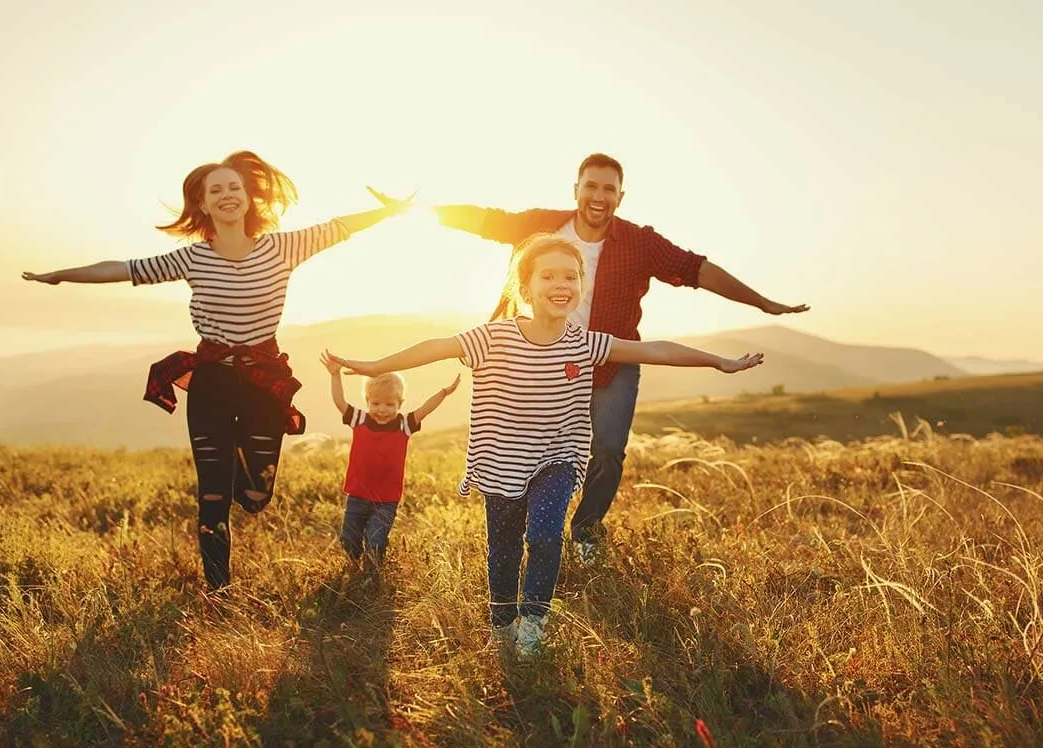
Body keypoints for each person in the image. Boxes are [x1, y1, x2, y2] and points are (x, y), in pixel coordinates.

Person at [325, 233, 763, 656]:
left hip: (558, 459)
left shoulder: (586, 344)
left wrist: (718, 361)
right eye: (549, 276)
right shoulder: (492, 338)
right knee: (504, 547)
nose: (561, 284)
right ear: (526, 286)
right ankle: (502, 624)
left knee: (546, 532)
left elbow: (656, 350)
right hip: (499, 463)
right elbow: (435, 347)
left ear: (580, 286)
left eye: (571, 276)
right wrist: (373, 366)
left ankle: (534, 622)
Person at [369, 152, 808, 564]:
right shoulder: (541, 226)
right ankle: (526, 526)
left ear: (621, 195)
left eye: (609, 189)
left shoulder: (639, 242)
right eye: (591, 187)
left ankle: (586, 531)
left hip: (610, 358)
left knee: (609, 449)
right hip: (537, 358)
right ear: (576, 188)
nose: (599, 197)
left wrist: (763, 303)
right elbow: (481, 220)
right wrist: (410, 209)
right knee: (529, 449)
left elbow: (697, 269)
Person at [21, 150, 412, 595]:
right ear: (203, 205)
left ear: (248, 198)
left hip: (263, 383)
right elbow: (122, 269)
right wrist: (60, 275)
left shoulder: (282, 247)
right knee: (211, 496)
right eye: (215, 190)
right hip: (211, 382)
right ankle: (218, 590)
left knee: (256, 495)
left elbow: (339, 227)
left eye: (234, 187)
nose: (226, 195)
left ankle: (237, 481)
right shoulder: (192, 259)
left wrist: (391, 209)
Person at [320, 354, 460, 569]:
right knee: (349, 540)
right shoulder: (359, 419)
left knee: (375, 541)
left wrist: (443, 393)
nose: (382, 409)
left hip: (386, 500)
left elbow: (425, 409)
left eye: (389, 404)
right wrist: (335, 374)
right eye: (375, 403)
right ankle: (352, 569)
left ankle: (372, 575)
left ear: (400, 404)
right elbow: (340, 402)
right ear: (367, 401)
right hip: (357, 495)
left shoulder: (404, 424)